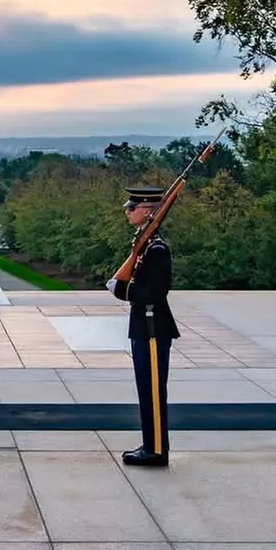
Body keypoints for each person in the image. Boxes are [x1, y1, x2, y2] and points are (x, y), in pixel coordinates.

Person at [107, 185, 179, 467]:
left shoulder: (157, 249)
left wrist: (121, 290)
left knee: (153, 391)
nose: (127, 211)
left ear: (148, 212)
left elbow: (155, 293)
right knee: (146, 390)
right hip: (144, 327)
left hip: (152, 329)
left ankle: (157, 450)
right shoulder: (147, 244)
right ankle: (151, 443)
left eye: (132, 207)